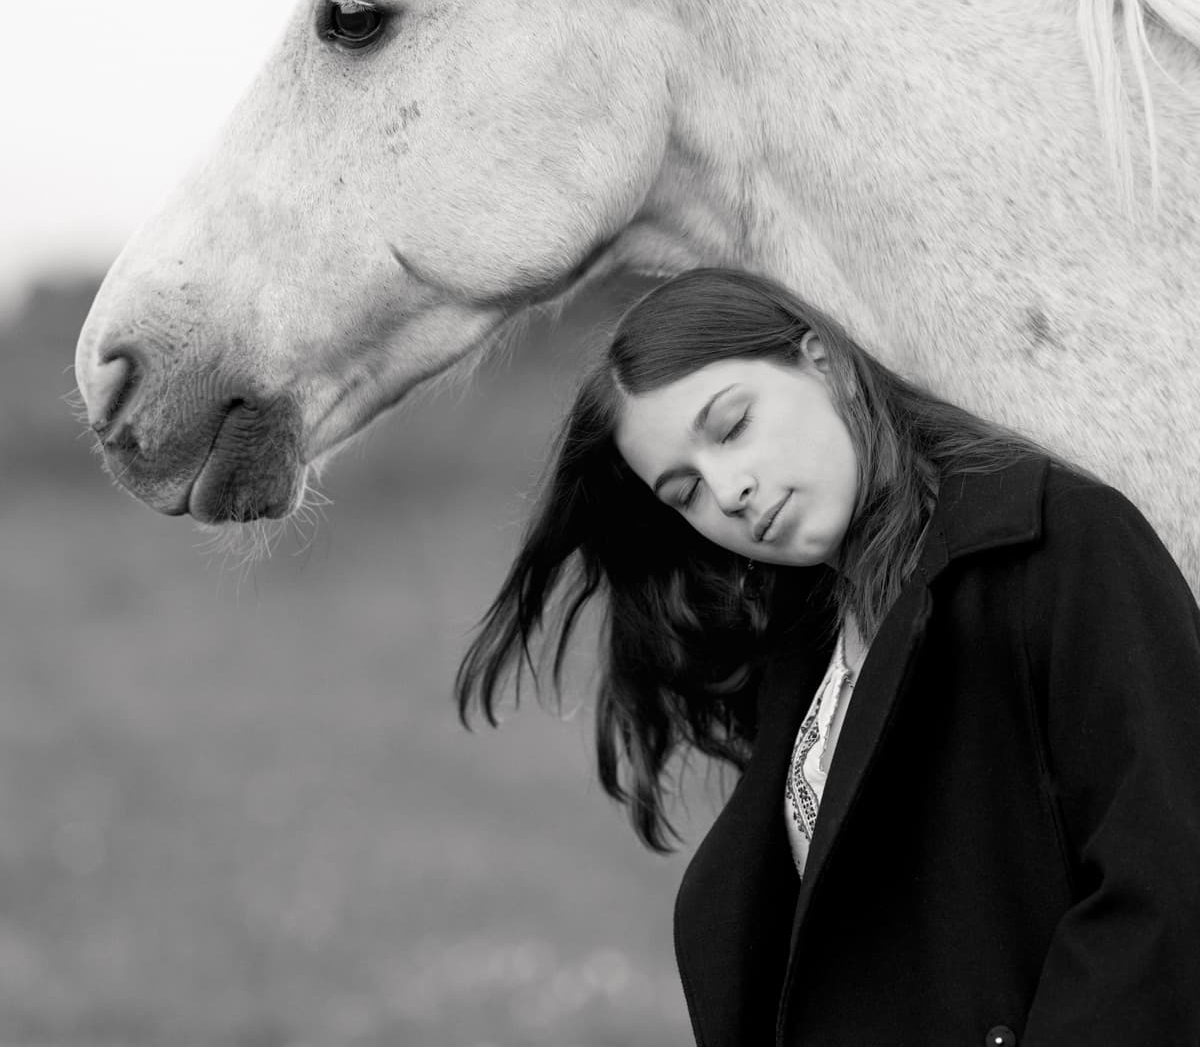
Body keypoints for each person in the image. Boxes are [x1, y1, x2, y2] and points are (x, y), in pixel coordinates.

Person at [455, 267, 1200, 1046]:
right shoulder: (807, 639)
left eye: (732, 425)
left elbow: (1168, 881)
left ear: (825, 362)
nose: (728, 492)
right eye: (684, 492)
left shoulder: (1057, 545)